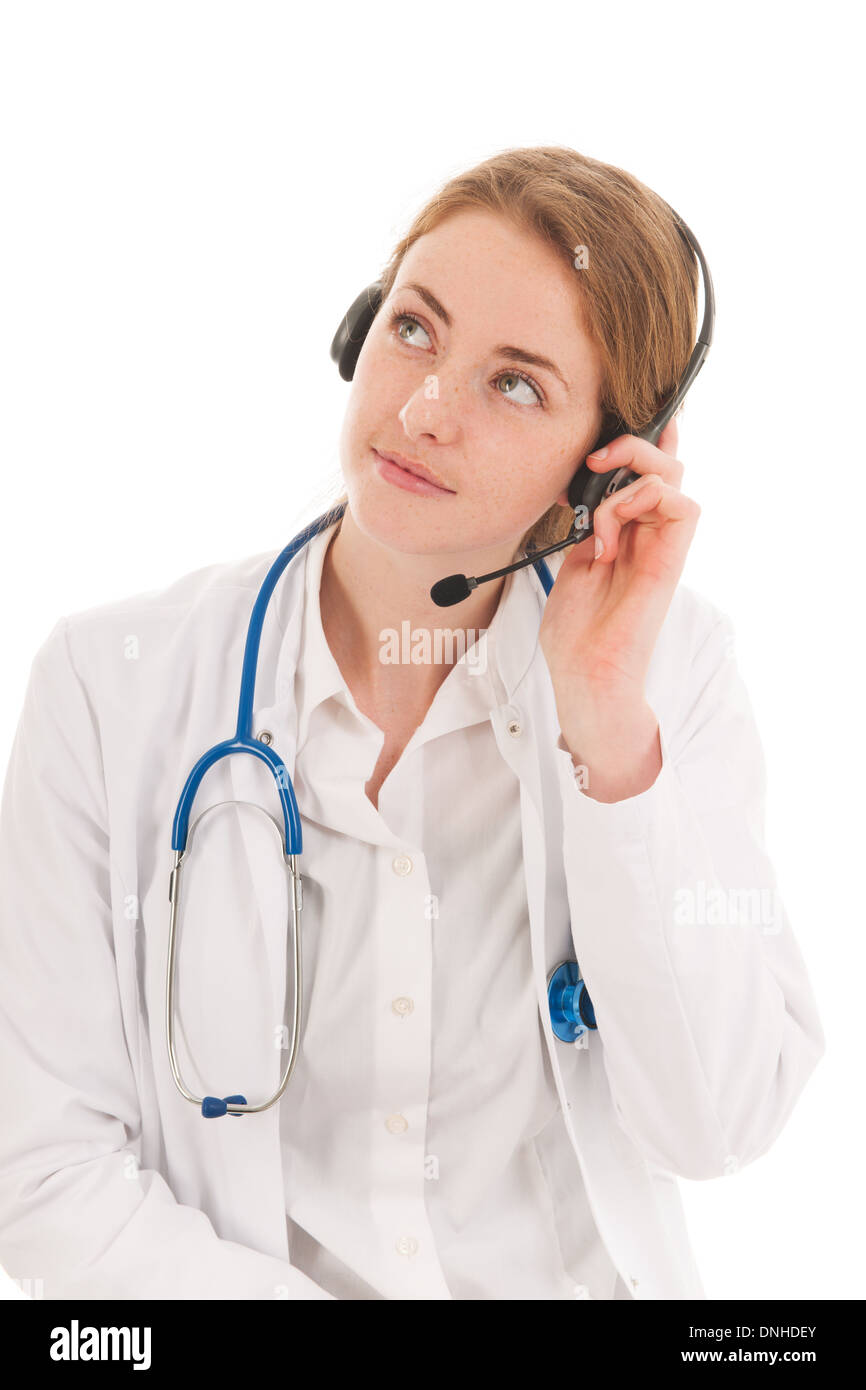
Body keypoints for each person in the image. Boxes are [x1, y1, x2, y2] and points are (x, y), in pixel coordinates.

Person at [0, 145, 824, 1300]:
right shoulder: (109, 685)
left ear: (597, 472)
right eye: (415, 330)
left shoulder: (669, 675)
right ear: (358, 331)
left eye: (515, 381)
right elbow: (42, 1183)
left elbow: (718, 1123)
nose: (425, 407)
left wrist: (604, 728)